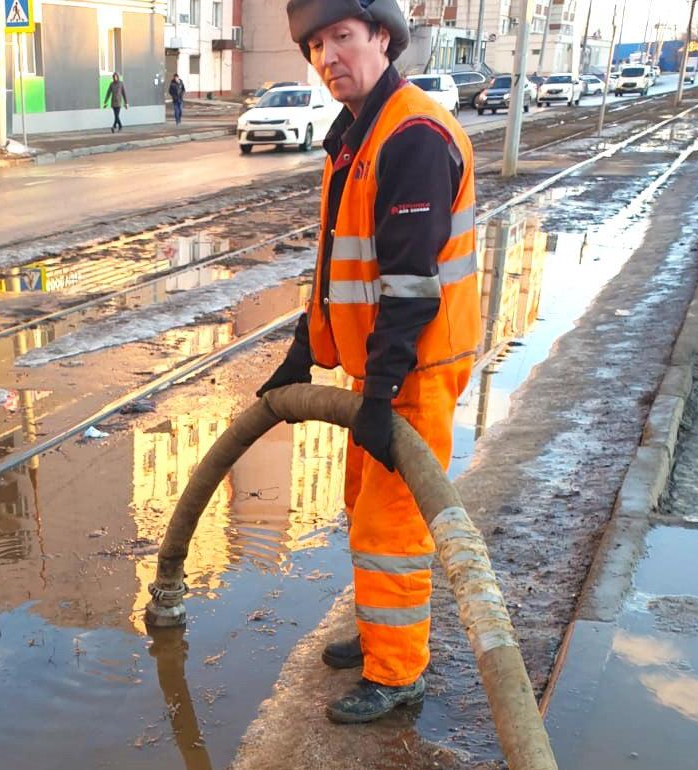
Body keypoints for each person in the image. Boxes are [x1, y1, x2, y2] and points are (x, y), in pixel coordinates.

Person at [259, 0, 479, 724]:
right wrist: (305, 352)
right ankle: (384, 628)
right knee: (364, 507)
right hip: (381, 369)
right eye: (316, 45)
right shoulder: (358, 132)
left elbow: (411, 286)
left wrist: (381, 391)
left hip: (413, 367)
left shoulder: (411, 134)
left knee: (392, 526)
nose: (328, 58)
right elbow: (341, 268)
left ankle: (398, 672)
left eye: (342, 38)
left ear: (382, 37)